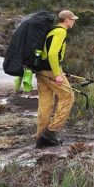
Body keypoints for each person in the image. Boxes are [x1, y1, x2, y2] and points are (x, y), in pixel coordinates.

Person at [35, 10, 77, 148]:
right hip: (51, 71)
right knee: (68, 97)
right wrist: (57, 74)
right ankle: (52, 131)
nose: (73, 22)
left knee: (45, 104)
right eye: (72, 19)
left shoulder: (51, 30)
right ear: (66, 20)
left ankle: (41, 137)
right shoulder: (60, 31)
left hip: (40, 70)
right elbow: (53, 53)